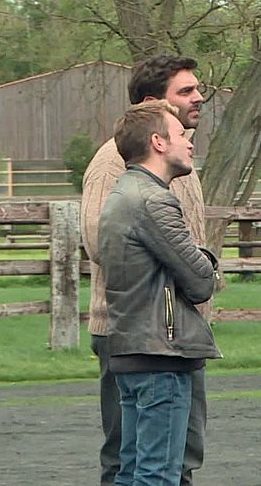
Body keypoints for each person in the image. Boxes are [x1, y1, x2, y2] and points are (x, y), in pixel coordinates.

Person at [81, 55, 210, 486]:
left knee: (177, 455)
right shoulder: (114, 165)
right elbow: (103, 244)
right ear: (154, 105)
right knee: (134, 459)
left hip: (174, 330)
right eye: (186, 91)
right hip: (138, 330)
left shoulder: (178, 164)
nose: (199, 97)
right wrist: (192, 262)